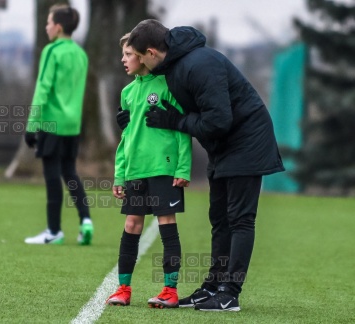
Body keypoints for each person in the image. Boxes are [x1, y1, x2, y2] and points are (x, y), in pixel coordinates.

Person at [118, 20, 285, 311]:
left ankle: (230, 292)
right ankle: (212, 287)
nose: (139, 62)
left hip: (247, 142)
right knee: (219, 218)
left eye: (140, 55)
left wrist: (176, 122)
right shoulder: (172, 64)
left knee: (240, 219)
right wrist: (133, 121)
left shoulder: (200, 64)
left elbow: (219, 121)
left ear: (153, 52)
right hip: (221, 149)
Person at [105, 33, 192, 308]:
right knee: (131, 225)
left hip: (164, 169)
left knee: (167, 224)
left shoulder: (167, 85)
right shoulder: (127, 93)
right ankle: (123, 288)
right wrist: (120, 174)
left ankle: (170, 289)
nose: (123, 59)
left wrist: (183, 167)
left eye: (128, 54)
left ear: (143, 56)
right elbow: (126, 137)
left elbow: (182, 129)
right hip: (135, 172)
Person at [23, 5, 93, 245]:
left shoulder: (52, 51)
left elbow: (43, 89)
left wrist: (31, 124)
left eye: (49, 22)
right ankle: (86, 221)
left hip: (52, 122)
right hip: (73, 123)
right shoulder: (81, 54)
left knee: (52, 175)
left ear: (58, 27)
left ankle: (54, 231)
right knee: (70, 172)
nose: (46, 26)